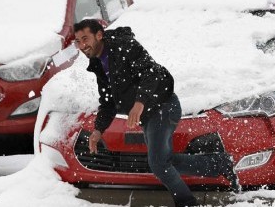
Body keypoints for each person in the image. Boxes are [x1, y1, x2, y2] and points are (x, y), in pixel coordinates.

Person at [73, 19, 240, 207]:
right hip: (149, 115)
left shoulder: (124, 46)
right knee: (164, 161)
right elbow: (108, 102)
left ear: (99, 35)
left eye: (85, 39)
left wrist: (139, 103)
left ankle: (187, 203)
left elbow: (152, 73)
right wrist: (98, 130)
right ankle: (218, 164)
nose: (82, 45)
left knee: (159, 163)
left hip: (163, 106)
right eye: (77, 41)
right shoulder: (98, 63)